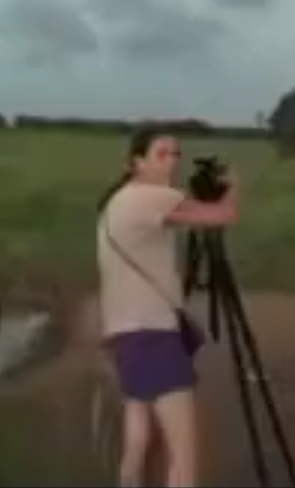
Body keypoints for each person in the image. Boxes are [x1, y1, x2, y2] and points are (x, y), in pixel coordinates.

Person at [96, 128, 241, 488]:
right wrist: (232, 184)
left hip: (124, 333)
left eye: (175, 154)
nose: (171, 161)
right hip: (152, 333)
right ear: (137, 162)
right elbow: (224, 215)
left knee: (138, 437)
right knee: (184, 458)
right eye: (161, 154)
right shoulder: (151, 196)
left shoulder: (121, 199)